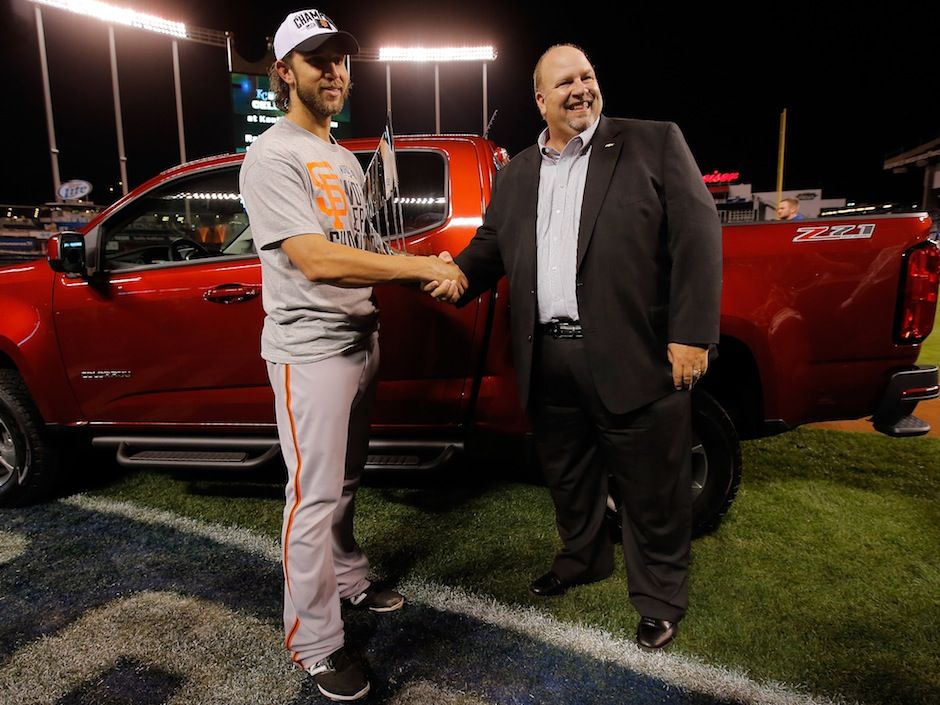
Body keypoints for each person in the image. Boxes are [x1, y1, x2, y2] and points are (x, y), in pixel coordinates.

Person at [438, 44, 722, 650]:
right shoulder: (516, 172)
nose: (581, 89)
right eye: (564, 82)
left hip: (636, 352)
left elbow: (698, 234)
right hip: (549, 357)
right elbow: (490, 247)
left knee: (653, 489)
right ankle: (583, 559)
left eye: (588, 76)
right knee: (568, 476)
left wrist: (692, 333)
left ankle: (659, 598)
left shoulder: (653, 141)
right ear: (540, 100)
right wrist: (455, 276)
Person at [239, 9, 466, 701]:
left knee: (342, 485)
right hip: (309, 352)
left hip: (359, 339)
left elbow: (365, 253)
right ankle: (312, 641)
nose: (335, 71)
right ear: (285, 72)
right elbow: (314, 259)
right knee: (310, 498)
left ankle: (348, 579)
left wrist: (426, 268)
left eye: (341, 59)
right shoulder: (271, 154)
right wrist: (422, 270)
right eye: (317, 60)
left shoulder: (341, 156)